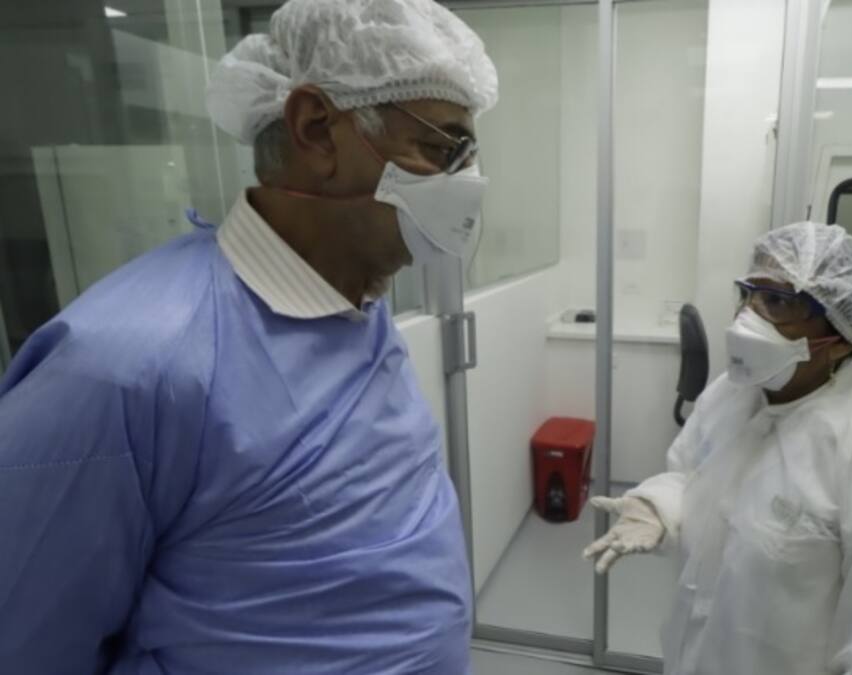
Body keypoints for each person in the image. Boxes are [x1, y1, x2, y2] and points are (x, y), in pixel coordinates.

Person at [0, 1, 497, 672]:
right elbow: (24, 638)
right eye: (442, 150)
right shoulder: (125, 367)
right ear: (316, 129)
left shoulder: (359, 301)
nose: (467, 185)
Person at [585, 222, 852, 675]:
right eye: (749, 295)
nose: (747, 316)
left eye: (778, 302)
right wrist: (659, 505)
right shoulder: (732, 394)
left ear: (841, 339)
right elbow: (692, 475)